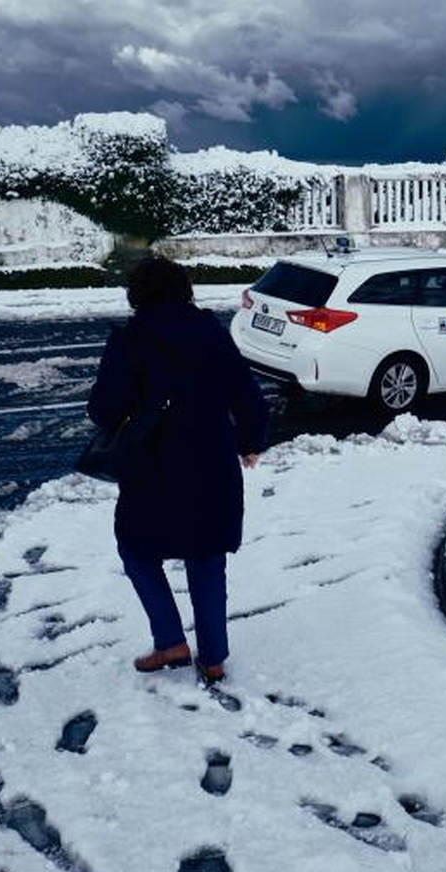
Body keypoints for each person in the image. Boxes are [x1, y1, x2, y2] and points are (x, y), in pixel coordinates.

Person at [87, 256, 270, 685]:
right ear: (184, 289)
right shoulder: (211, 333)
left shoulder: (130, 341)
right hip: (211, 463)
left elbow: (104, 410)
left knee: (136, 551)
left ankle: (170, 641)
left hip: (152, 468)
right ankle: (213, 658)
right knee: (206, 555)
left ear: (137, 294)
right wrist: (250, 442)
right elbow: (247, 394)